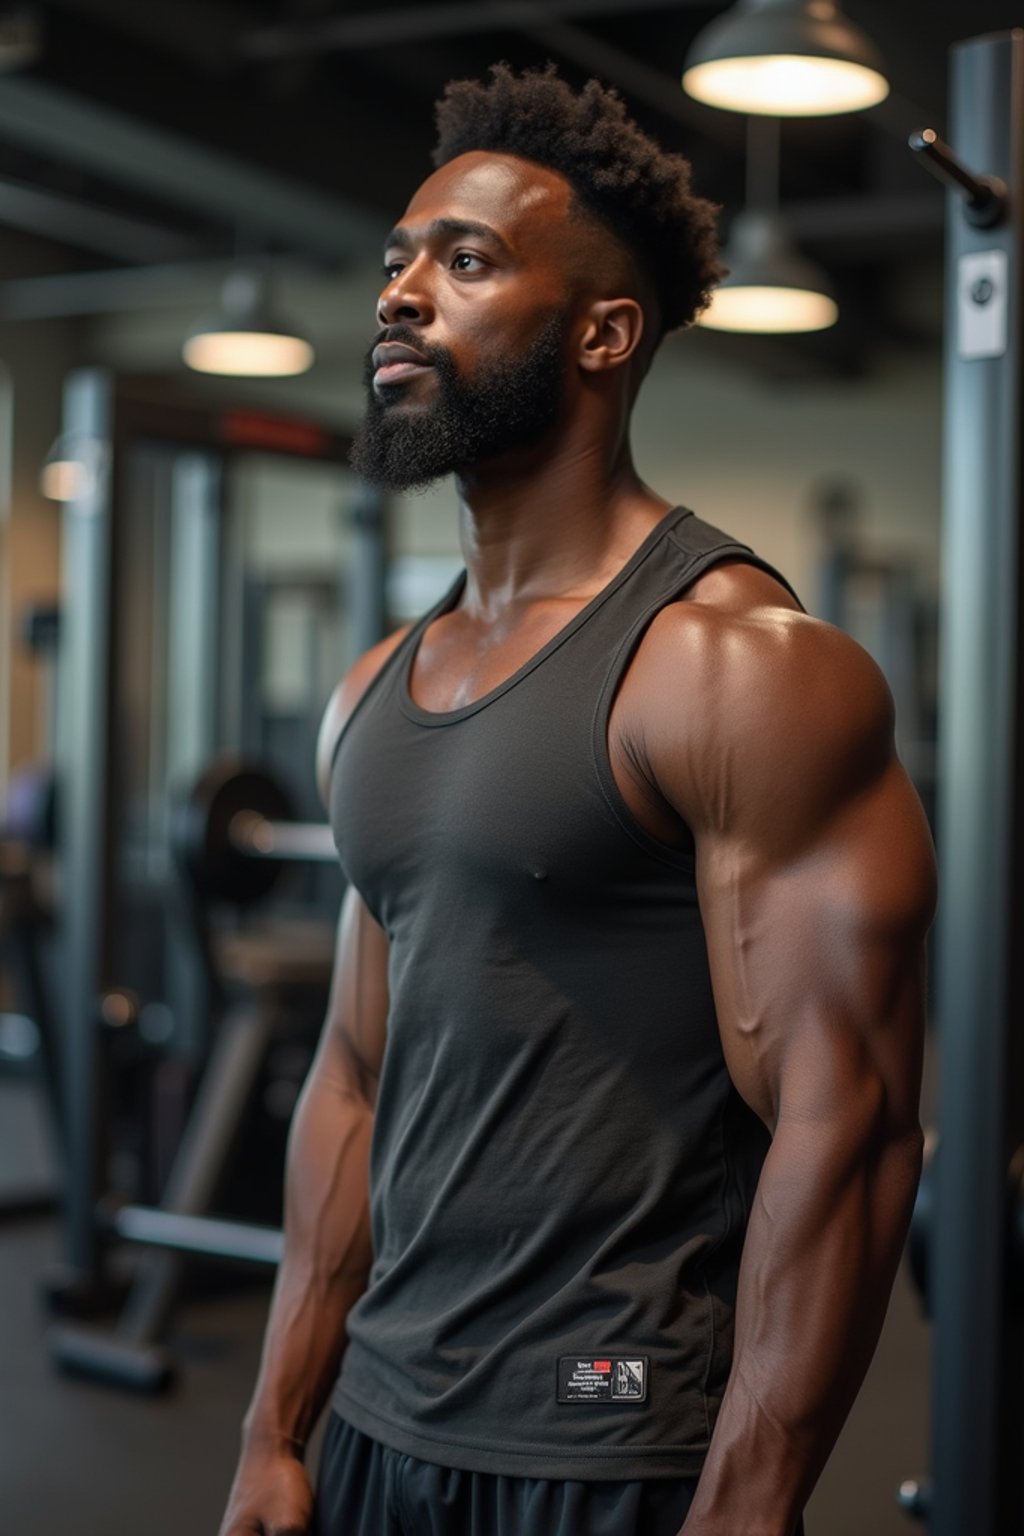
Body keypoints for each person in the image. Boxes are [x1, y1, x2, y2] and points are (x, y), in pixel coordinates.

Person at [218, 63, 936, 1536]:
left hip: (609, 1444)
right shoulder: (374, 688)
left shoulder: (736, 668)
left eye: (465, 260)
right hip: (376, 1412)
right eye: (398, 261)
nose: (402, 294)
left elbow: (846, 1124)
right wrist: (273, 1425)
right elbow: (354, 1075)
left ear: (606, 331)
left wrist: (750, 1504)